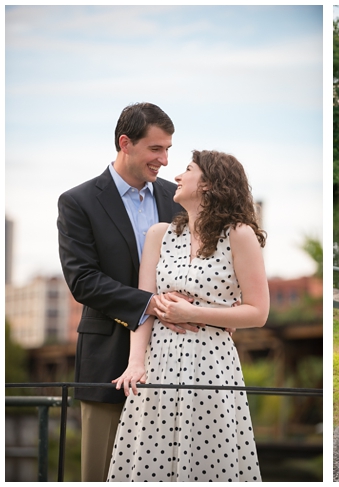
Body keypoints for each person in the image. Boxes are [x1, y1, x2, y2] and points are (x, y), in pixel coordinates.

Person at [107, 150, 269, 481]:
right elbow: (144, 307)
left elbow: (258, 312)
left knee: (208, 460)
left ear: (209, 184)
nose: (177, 176)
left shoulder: (238, 234)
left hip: (211, 363)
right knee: (152, 460)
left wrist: (191, 311)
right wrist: (136, 363)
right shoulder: (159, 235)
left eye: (187, 169)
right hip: (160, 361)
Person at [57, 102, 195, 481]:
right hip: (108, 360)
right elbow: (82, 280)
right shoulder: (78, 202)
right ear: (125, 143)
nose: (165, 160)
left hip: (176, 354)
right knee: (100, 473)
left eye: (168, 148)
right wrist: (150, 303)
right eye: (156, 148)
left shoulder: (177, 198)